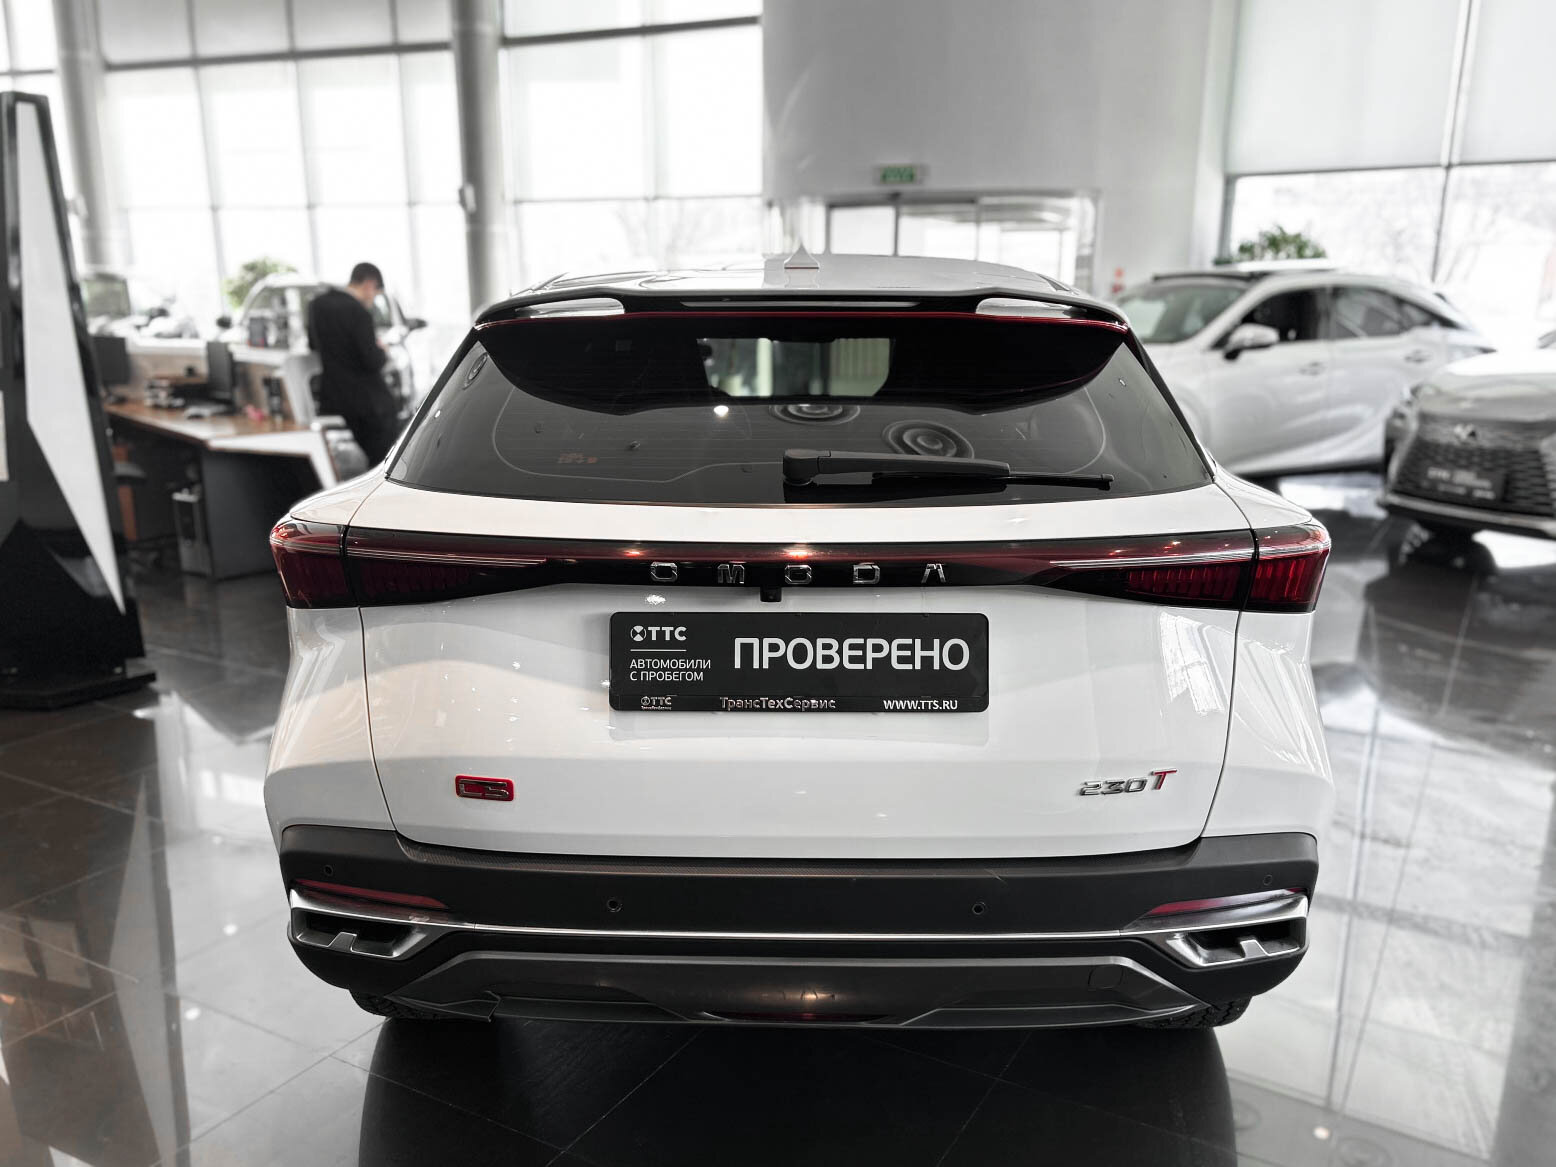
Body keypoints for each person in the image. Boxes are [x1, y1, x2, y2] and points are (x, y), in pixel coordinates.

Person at [306, 262, 397, 464]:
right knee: (386, 455)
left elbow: (312, 345)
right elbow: (372, 361)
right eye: (375, 294)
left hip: (334, 397)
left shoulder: (317, 305)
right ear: (369, 284)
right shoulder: (359, 312)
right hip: (367, 404)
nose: (373, 300)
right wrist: (383, 351)